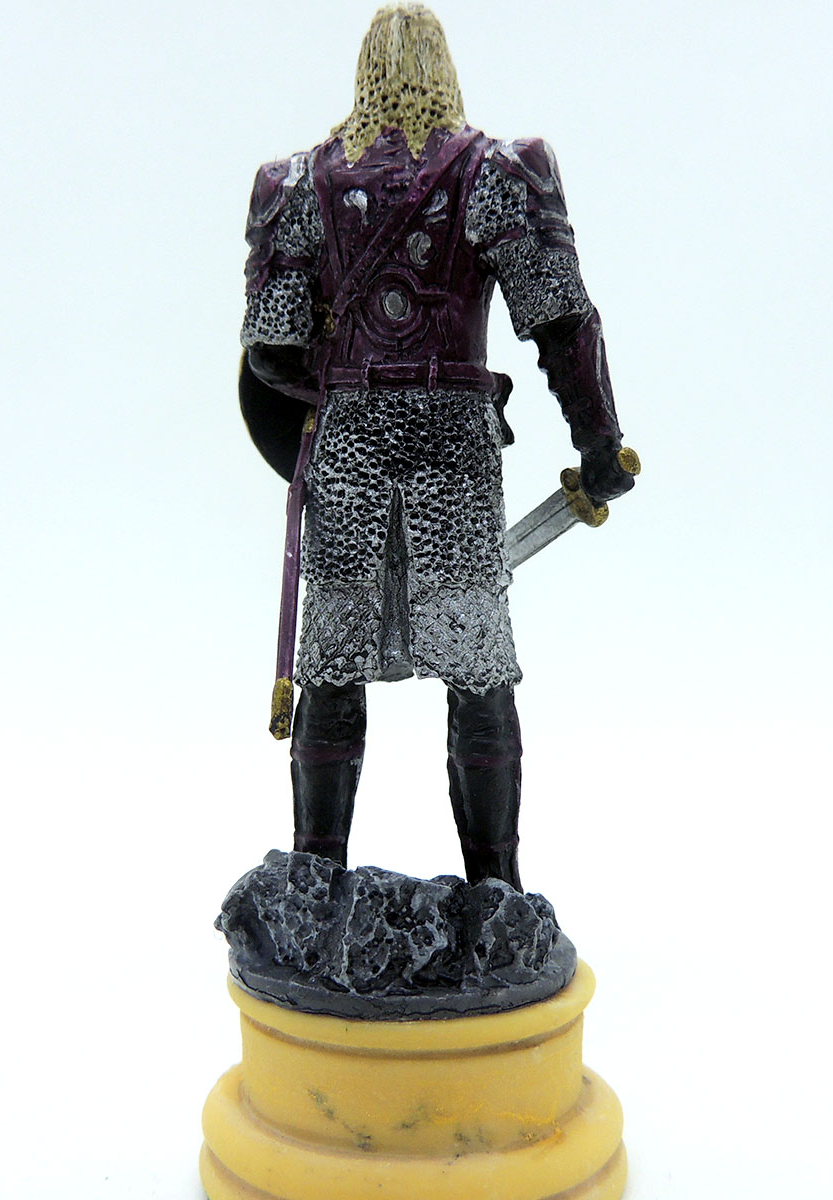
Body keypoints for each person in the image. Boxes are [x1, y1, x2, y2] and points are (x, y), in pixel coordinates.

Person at [239, 3, 635, 891]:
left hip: (347, 444)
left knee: (330, 669)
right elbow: (561, 321)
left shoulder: (295, 185)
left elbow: (270, 351)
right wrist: (600, 442)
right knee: (478, 671)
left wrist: (331, 382)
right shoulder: (497, 173)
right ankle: (496, 893)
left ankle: (315, 888)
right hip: (452, 445)